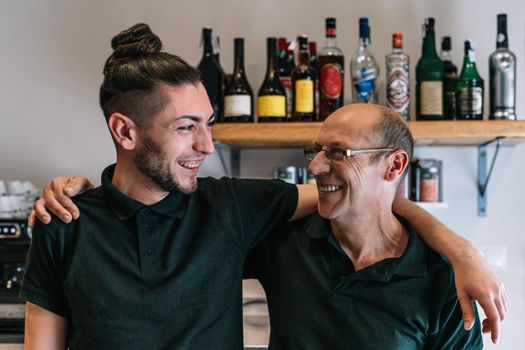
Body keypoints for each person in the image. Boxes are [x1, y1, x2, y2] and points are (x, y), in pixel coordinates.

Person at [25, 23, 506, 348]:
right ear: (125, 132)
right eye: (187, 126)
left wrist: (460, 251)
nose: (207, 146)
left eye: (208, 123)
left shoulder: (231, 208)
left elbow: (358, 197)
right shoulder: (64, 222)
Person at [244, 104, 483, 348]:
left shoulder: (443, 282)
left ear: (394, 166)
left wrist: (462, 252)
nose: (314, 167)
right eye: (316, 151)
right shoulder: (283, 241)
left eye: (338, 152)